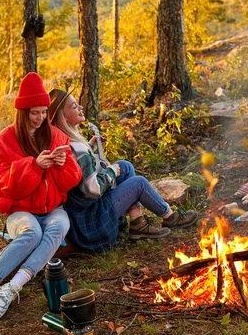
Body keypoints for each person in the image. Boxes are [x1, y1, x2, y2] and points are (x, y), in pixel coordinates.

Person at [0, 73, 81, 322]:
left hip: (52, 208)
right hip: (20, 209)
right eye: (35, 112)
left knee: (60, 225)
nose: (40, 118)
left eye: (44, 112)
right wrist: (34, 166)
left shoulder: (57, 136)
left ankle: (10, 289)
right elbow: (5, 185)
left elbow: (72, 179)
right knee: (32, 233)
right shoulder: (5, 139)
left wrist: (61, 164)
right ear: (22, 112)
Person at [48, 88, 198, 253]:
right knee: (138, 183)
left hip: (84, 215)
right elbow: (92, 189)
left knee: (125, 166)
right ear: (63, 117)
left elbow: (79, 175)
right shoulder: (77, 149)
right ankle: (171, 217)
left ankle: (137, 222)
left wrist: (90, 147)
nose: (81, 108)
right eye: (74, 106)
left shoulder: (65, 142)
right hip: (92, 223)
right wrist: (111, 172)